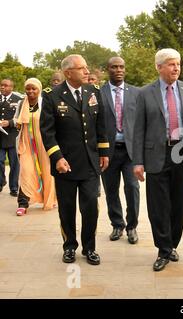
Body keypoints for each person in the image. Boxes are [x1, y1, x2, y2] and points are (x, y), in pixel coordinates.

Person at [133, 48, 183, 272]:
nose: (176, 68)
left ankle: (172, 243)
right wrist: (138, 161)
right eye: (171, 64)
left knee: (179, 204)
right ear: (159, 67)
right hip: (156, 155)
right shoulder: (145, 93)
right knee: (158, 206)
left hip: (182, 154)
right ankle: (163, 249)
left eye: (178, 64)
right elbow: (138, 130)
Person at [40, 54, 109, 266]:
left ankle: (90, 248)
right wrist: (57, 158)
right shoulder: (52, 95)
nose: (87, 72)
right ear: (68, 72)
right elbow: (47, 132)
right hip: (65, 165)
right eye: (82, 68)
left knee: (90, 207)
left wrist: (104, 152)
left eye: (86, 68)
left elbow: (100, 124)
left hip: (90, 163)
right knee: (67, 209)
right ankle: (69, 246)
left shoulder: (93, 91)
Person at [100, 57, 140, 244]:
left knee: (132, 187)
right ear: (107, 69)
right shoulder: (98, 93)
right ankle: (117, 224)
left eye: (121, 66)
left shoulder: (136, 93)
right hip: (108, 152)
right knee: (111, 190)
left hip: (131, 152)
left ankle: (132, 226)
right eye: (114, 67)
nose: (118, 70)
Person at [13, 78, 57, 216]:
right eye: (28, 88)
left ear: (39, 89)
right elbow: (16, 119)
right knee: (25, 172)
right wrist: (17, 123)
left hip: (44, 143)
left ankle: (48, 199)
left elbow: (53, 122)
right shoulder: (21, 103)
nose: (30, 91)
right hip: (26, 144)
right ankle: (23, 203)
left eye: (34, 89)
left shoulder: (45, 103)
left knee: (47, 172)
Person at [0, 78, 22, 196]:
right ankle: (1, 182)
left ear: (11, 88)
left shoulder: (18, 100)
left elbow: (21, 118)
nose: (2, 87)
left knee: (14, 164)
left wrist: (10, 123)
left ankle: (13, 187)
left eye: (5, 85)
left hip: (13, 137)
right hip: (0, 137)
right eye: (1, 85)